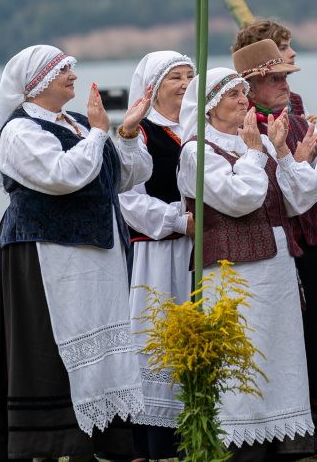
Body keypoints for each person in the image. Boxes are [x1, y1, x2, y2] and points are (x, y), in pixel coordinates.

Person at [0, 44, 153, 461]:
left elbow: (122, 177)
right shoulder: (19, 131)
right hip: (47, 257)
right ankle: (48, 442)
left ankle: (103, 441)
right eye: (63, 71)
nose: (73, 76)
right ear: (36, 82)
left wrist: (125, 134)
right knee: (49, 347)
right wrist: (99, 134)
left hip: (96, 256)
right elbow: (61, 176)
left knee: (98, 345)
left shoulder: (77, 123)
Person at [177, 67, 317, 460]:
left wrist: (286, 153)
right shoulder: (196, 151)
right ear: (209, 107)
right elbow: (240, 199)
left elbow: (301, 199)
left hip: (275, 264)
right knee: (243, 352)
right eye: (233, 95)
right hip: (231, 268)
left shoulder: (253, 142)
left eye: (244, 93)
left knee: (279, 349)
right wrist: (258, 155)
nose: (244, 100)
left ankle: (282, 437)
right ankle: (243, 444)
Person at [233, 25, 317, 450]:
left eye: (286, 75)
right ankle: (299, 420)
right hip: (274, 241)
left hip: (310, 234)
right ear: (252, 84)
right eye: (276, 77)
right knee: (286, 330)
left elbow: (316, 181)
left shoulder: (292, 114)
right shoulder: (240, 124)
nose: (285, 83)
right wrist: (297, 162)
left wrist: (312, 161)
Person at [119, 51, 196, 461]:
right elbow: (130, 200)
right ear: (152, 87)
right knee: (158, 339)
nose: (185, 84)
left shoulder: (202, 128)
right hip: (158, 252)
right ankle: (155, 442)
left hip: (198, 252)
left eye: (190, 76)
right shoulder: (141, 134)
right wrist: (180, 220)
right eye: (175, 77)